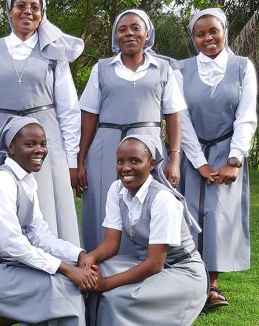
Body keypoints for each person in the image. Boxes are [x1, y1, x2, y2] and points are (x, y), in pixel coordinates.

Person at [0, 116, 96, 326]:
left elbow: (39, 235)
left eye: (43, 144)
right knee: (62, 287)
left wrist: (78, 255)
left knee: (64, 282)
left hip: (4, 266)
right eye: (30, 144)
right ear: (11, 147)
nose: (39, 150)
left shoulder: (27, 181)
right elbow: (13, 243)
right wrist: (66, 269)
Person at [0, 0, 83, 245]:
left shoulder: (54, 52)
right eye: (20, 6)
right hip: (3, 140)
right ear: (9, 12)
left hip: (45, 140)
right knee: (4, 203)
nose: (27, 12)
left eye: (34, 7)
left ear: (42, 14)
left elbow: (68, 109)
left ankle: (53, 273)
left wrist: (70, 159)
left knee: (46, 206)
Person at [78, 9, 186, 251]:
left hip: (149, 148)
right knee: (101, 207)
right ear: (115, 36)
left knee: (148, 204)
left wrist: (175, 159)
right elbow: (88, 116)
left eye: (136, 28)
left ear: (147, 34)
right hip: (106, 149)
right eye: (122, 29)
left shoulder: (163, 69)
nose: (129, 33)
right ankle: (97, 270)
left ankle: (143, 268)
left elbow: (173, 116)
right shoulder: (102, 68)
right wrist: (81, 160)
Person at [81, 135, 208, 326]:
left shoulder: (162, 200)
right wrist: (90, 258)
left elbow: (155, 264)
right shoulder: (117, 190)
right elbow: (111, 244)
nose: (125, 168)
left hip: (182, 271)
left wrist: (105, 284)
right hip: (147, 262)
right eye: (120, 161)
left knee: (115, 297)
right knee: (92, 276)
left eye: (135, 161)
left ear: (151, 164)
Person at [179, 8, 257, 309]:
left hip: (227, 149)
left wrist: (234, 160)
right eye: (200, 33)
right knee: (189, 214)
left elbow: (246, 116)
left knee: (218, 215)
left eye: (214, 31)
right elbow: (179, 117)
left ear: (225, 30)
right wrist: (198, 161)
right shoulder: (180, 70)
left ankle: (212, 286)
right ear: (193, 38)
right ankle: (189, 282)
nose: (208, 37)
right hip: (191, 151)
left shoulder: (242, 67)